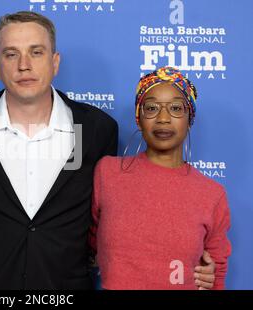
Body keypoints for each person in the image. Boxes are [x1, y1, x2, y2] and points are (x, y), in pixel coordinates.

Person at [0, 12, 213, 289]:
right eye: (11, 54)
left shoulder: (97, 129)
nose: (24, 65)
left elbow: (125, 221)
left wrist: (193, 263)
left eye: (36, 52)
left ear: (55, 62)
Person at [90, 67, 231, 289]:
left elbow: (216, 272)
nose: (163, 118)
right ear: (139, 118)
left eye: (176, 108)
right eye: (152, 108)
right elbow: (88, 241)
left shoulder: (212, 194)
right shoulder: (107, 173)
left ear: (189, 118)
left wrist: (210, 275)